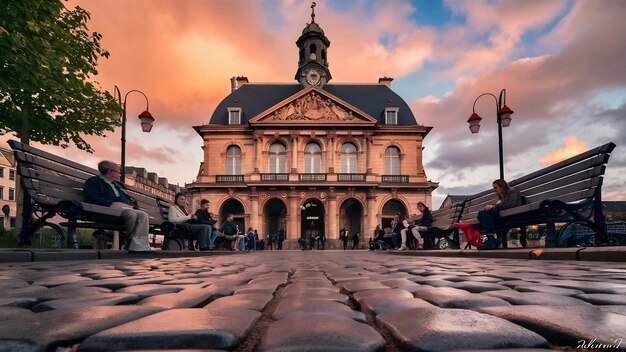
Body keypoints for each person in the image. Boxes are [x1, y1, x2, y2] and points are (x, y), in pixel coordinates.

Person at [83, 161, 152, 253]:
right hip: (105, 210)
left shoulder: (116, 185)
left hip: (121, 209)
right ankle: (132, 242)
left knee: (143, 215)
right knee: (131, 214)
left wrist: (128, 203)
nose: (120, 174)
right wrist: (111, 203)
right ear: (110, 172)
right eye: (118, 172)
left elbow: (124, 200)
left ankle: (140, 245)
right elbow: (91, 198)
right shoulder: (94, 181)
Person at [477, 179, 523, 250]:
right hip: (504, 216)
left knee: (484, 213)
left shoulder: (513, 191)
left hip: (514, 216)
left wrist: (494, 206)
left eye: (496, 188)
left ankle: (492, 240)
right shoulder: (502, 196)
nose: (494, 190)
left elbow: (512, 204)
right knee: (482, 213)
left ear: (502, 186)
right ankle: (491, 239)